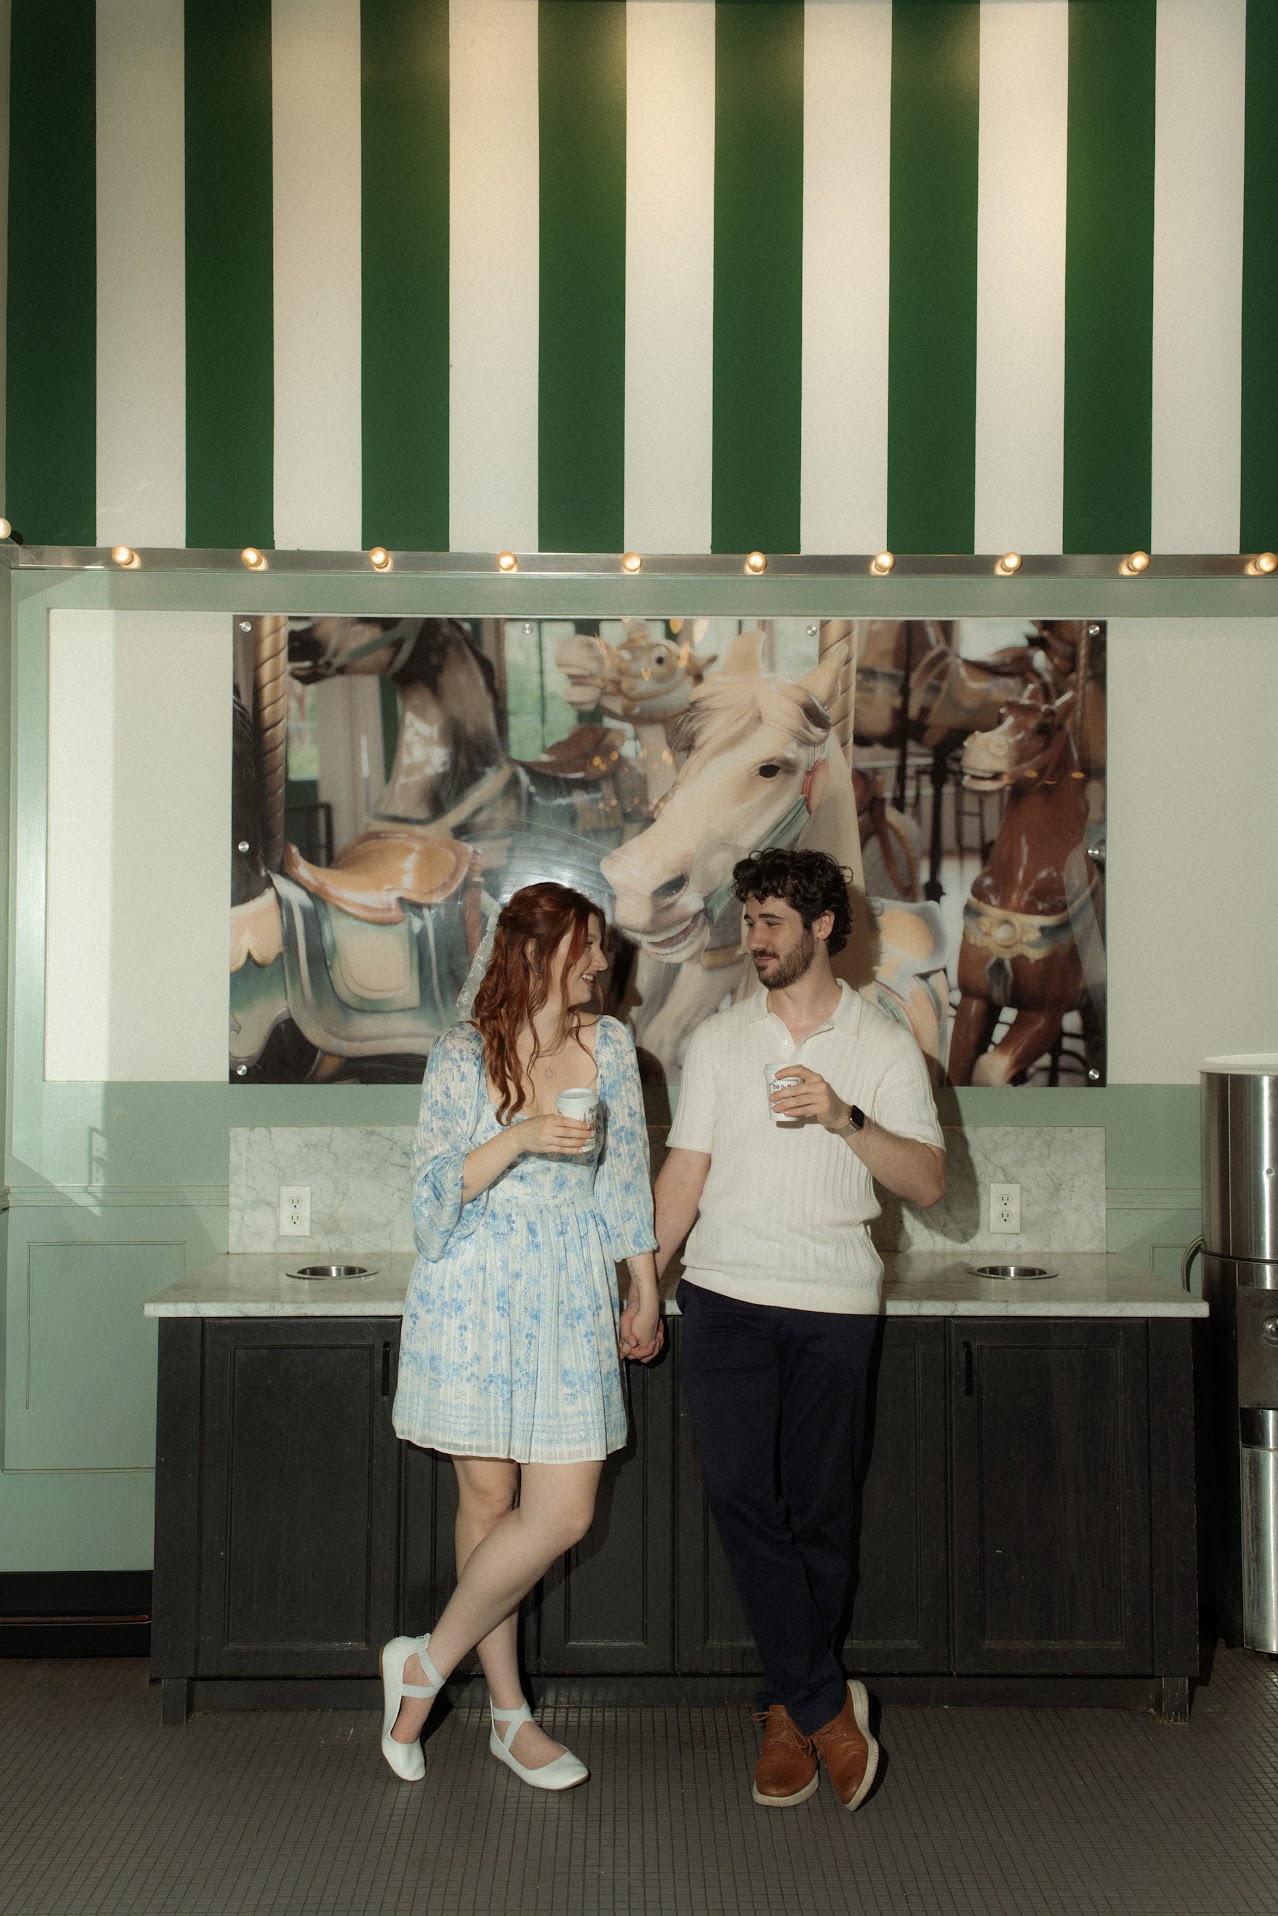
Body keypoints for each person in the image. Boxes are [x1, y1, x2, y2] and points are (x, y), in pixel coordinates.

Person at [653, 847, 944, 1812]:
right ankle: (826, 1706)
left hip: (833, 1302)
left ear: (823, 926)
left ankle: (788, 1707)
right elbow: (684, 1176)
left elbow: (928, 1183)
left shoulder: (882, 1044)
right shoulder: (719, 1042)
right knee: (743, 1498)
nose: (755, 938)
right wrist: (643, 1285)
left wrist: (845, 1116)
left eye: (772, 920)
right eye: (749, 918)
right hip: (726, 1299)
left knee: (820, 1513)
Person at [381, 881, 662, 1789]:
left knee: (565, 1511)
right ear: (536, 952)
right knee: (490, 1503)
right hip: (472, 1293)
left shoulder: (611, 1045)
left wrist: (645, 1289)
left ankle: (423, 1664)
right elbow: (429, 1204)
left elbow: (625, 1184)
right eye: (585, 946)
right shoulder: (463, 1055)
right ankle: (509, 1714)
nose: (600, 961)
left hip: (571, 1289)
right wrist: (522, 1137)